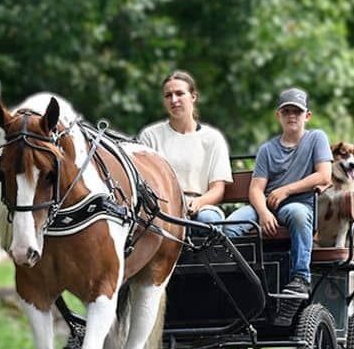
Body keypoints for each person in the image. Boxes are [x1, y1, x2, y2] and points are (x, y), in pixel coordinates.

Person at [222, 88, 333, 298]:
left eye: (297, 112)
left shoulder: (316, 138)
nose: (292, 116)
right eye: (287, 111)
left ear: (307, 116)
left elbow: (324, 176)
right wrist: (263, 213)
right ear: (278, 115)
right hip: (266, 205)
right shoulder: (267, 149)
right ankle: (241, 280)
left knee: (298, 215)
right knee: (229, 228)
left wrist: (286, 190)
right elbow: (255, 189)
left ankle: (301, 278)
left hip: (298, 204)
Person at [137, 70, 232, 225]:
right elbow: (145, 183)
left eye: (179, 93)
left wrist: (198, 203)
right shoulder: (150, 136)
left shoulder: (213, 138)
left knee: (208, 220)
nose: (174, 100)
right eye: (168, 95)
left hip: (200, 207)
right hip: (162, 209)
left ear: (193, 97)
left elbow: (217, 189)